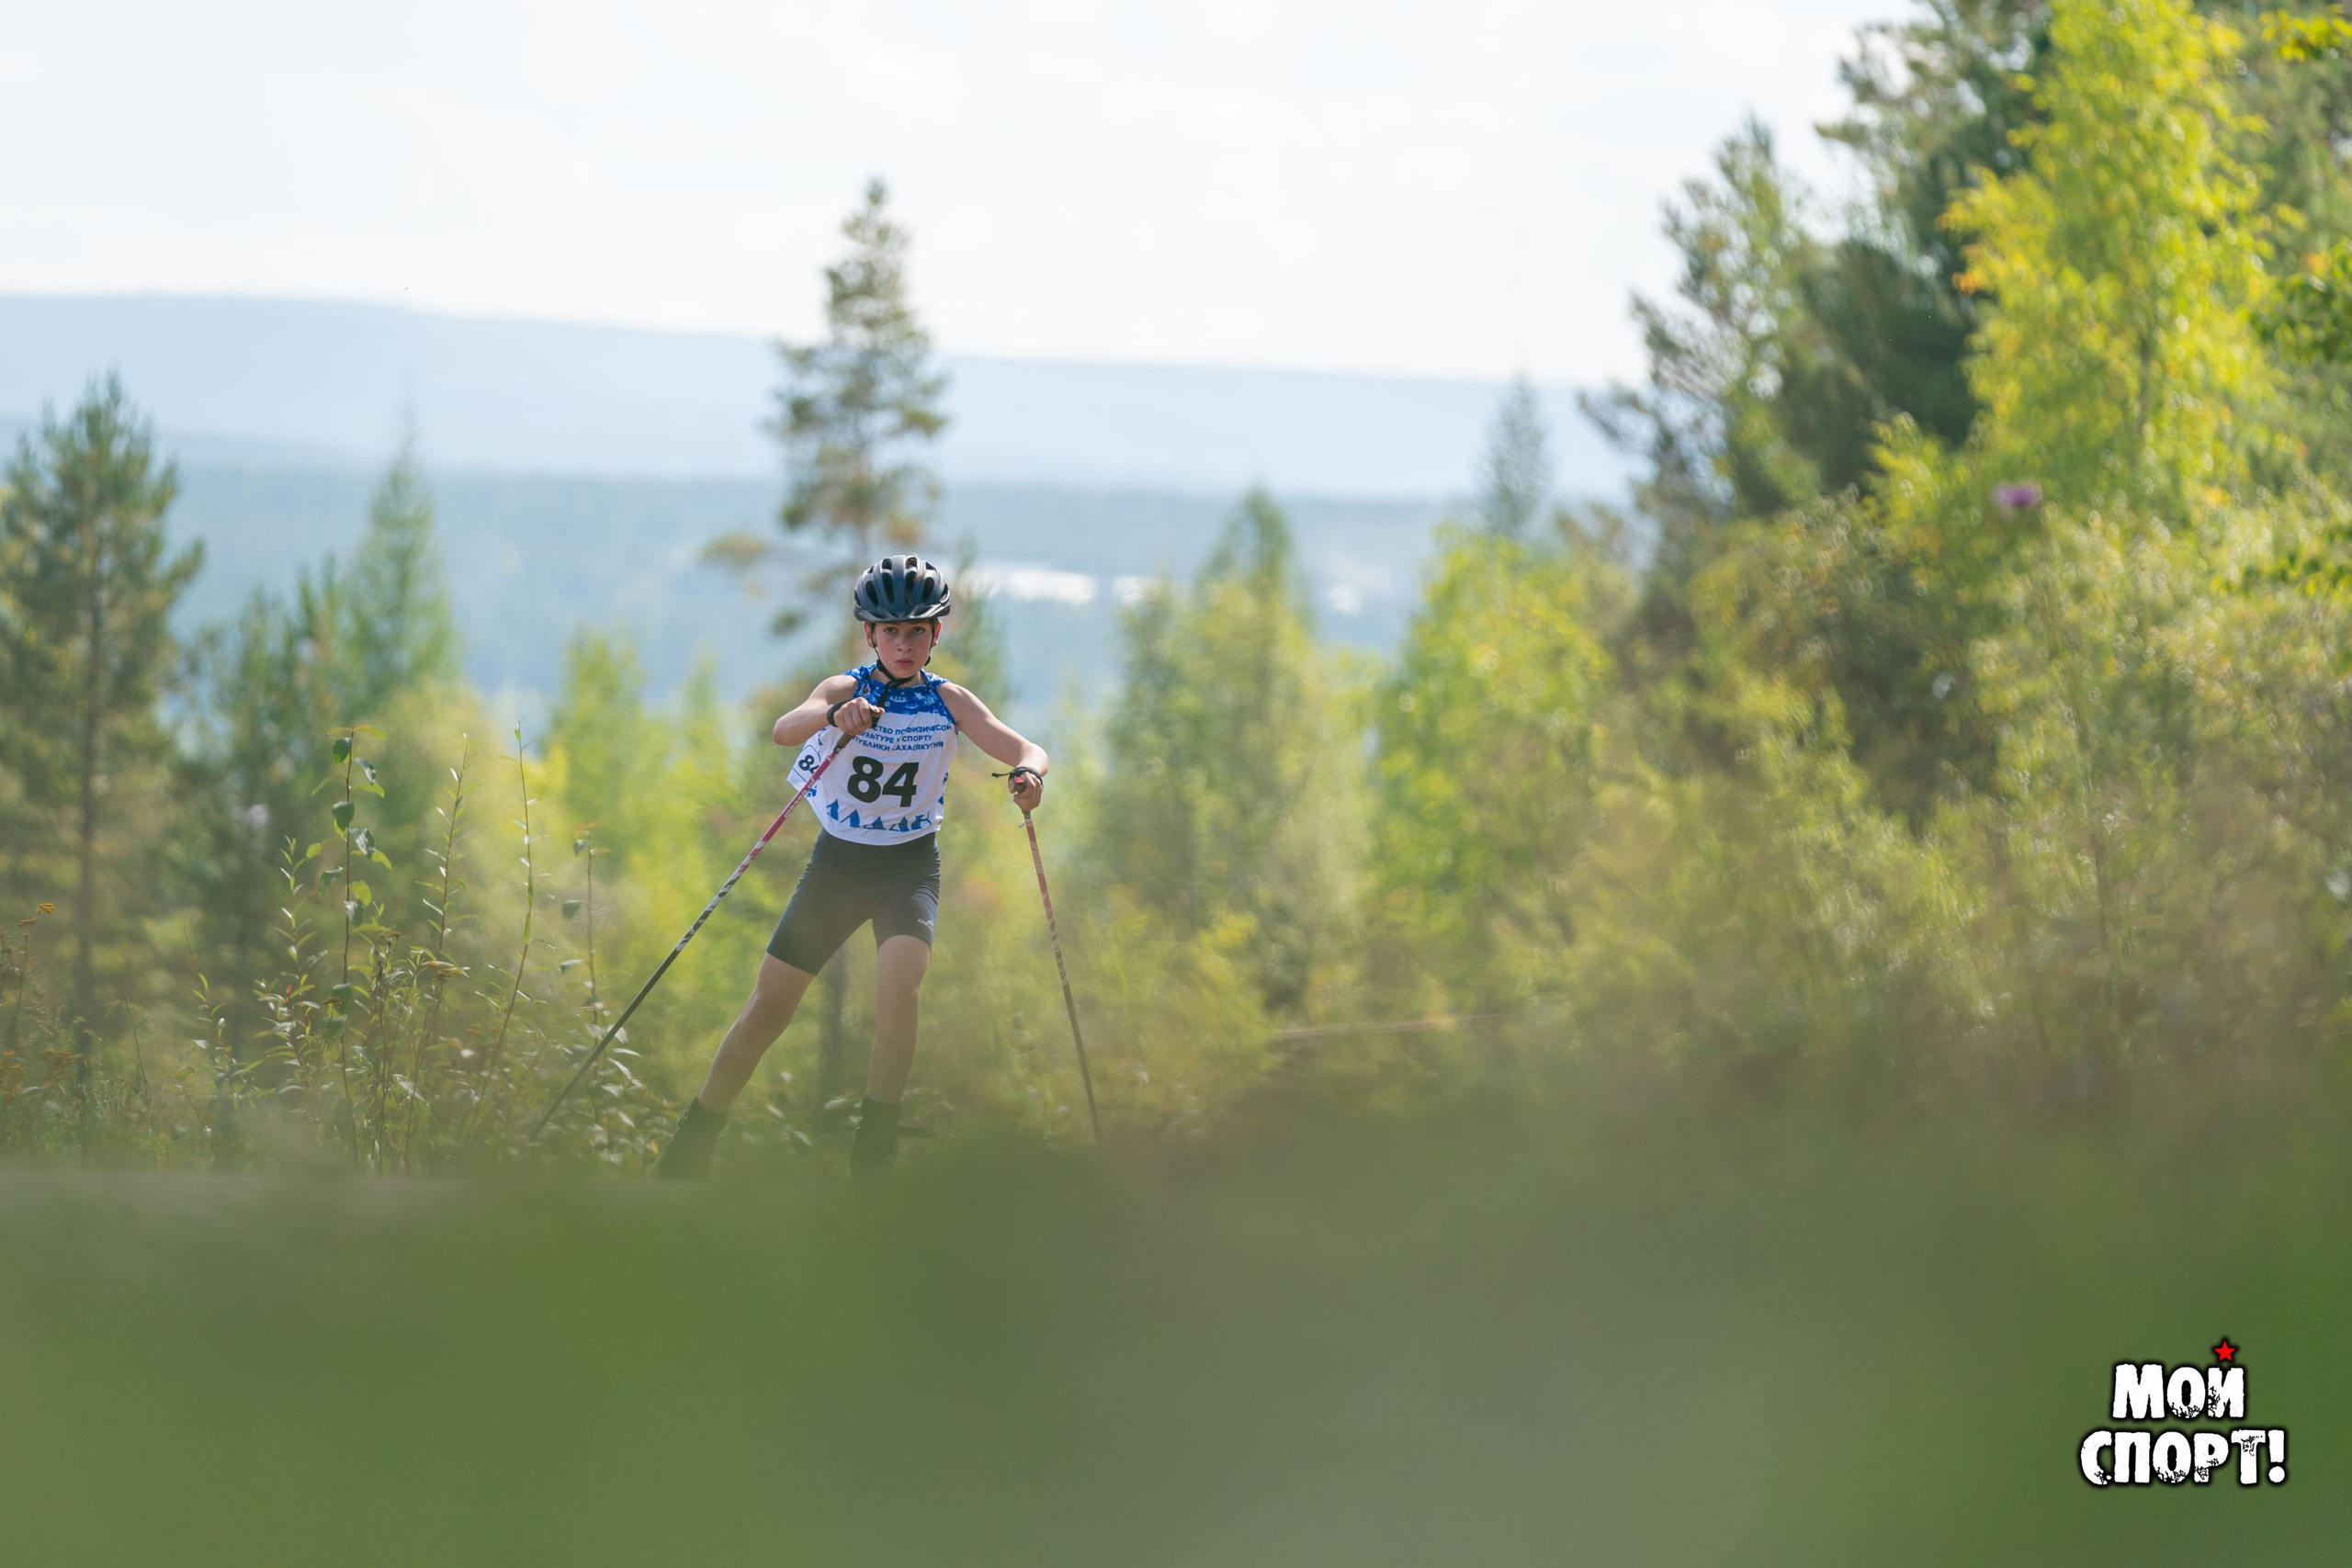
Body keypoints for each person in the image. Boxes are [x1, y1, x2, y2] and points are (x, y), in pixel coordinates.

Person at [654, 554, 1047, 1179]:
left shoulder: (949, 699)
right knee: (768, 1010)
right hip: (837, 866)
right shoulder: (846, 687)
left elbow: (1024, 745)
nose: (904, 642)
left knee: (900, 988)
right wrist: (834, 714)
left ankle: (875, 1150)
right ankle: (695, 1136)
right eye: (890, 631)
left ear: (936, 634)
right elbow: (786, 728)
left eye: (917, 630)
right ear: (869, 634)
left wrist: (1029, 773)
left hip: (909, 869)